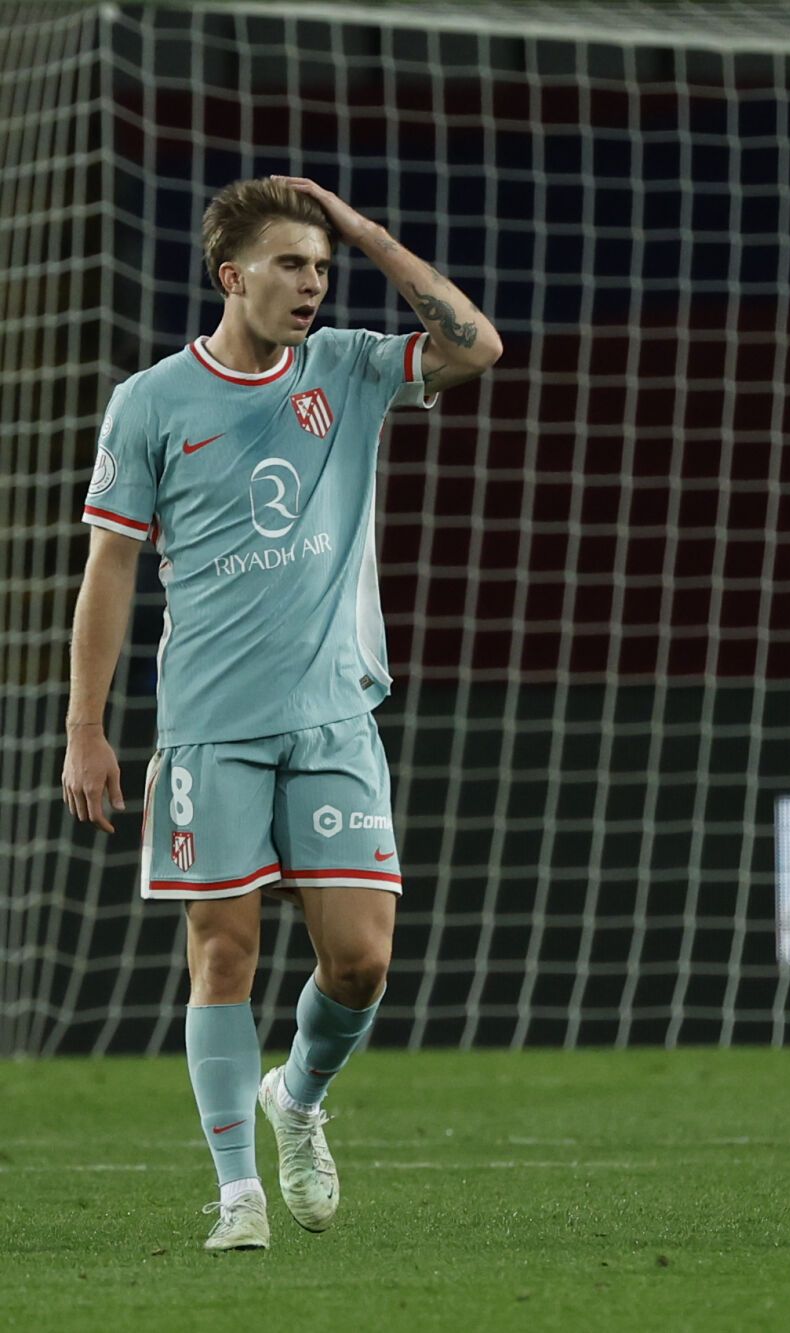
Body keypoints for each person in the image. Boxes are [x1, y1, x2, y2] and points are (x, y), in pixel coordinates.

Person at [61, 176, 502, 1250]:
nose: (313, 283)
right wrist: (85, 723)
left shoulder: (348, 366)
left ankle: (296, 1099)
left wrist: (364, 227)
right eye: (292, 264)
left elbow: (476, 346)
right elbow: (110, 568)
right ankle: (236, 1191)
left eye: (321, 265)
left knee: (361, 960)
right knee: (224, 952)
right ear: (232, 277)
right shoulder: (152, 401)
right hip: (209, 723)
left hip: (333, 713)